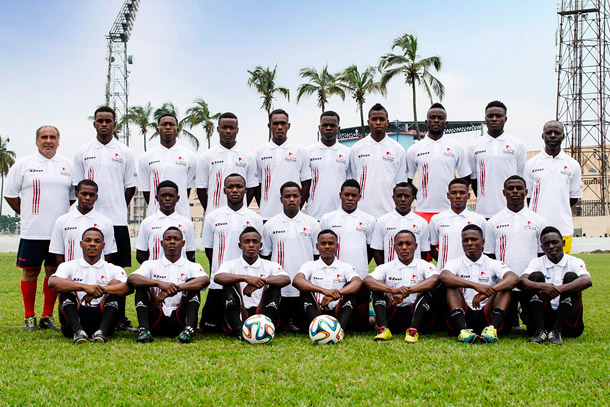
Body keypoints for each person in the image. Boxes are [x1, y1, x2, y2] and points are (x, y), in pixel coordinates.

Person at [4, 125, 75, 331]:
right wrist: (27, 213)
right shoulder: (24, 165)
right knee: (30, 272)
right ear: (36, 141)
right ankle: (29, 317)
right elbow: (10, 194)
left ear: (58, 141)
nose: (48, 141)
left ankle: (47, 316)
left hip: (58, 233)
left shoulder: (67, 166)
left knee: (53, 273)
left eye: (52, 137)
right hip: (33, 231)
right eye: (44, 137)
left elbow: (72, 197)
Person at [72, 106, 137, 268]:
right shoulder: (82, 152)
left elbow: (130, 187)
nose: (104, 124)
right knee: (85, 266)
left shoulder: (126, 152)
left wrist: (119, 205)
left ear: (114, 124)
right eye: (100, 121)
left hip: (117, 220)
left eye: (108, 121)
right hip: (89, 220)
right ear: (94, 124)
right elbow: (77, 186)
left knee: (117, 270)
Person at [199, 174, 263, 332]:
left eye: (239, 187)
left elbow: (259, 250)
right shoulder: (212, 217)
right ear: (224, 190)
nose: (235, 190)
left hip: (247, 281)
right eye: (230, 187)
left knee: (247, 323)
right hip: (219, 282)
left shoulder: (255, 218)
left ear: (245, 190)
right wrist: (219, 270)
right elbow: (209, 249)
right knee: (209, 328)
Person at [128, 227, 209, 344]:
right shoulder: (150, 264)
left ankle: (188, 330)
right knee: (142, 285)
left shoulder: (192, 266)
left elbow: (204, 280)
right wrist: (159, 284)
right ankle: (144, 330)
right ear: (162, 243)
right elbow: (132, 279)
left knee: (192, 283)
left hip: (180, 318)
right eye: (168, 239)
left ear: (183, 243)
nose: (172, 242)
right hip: (157, 316)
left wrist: (176, 288)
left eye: (176, 239)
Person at [484, 175, 546, 329]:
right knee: (503, 329)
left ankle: (525, 313)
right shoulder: (493, 222)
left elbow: (542, 254)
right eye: (511, 188)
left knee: (533, 327)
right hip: (505, 284)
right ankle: (512, 316)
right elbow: (490, 256)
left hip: (529, 283)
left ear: (526, 192)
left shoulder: (538, 220)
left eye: (519, 188)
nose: (515, 191)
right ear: (504, 192)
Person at [439, 224, 519, 343]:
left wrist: (489, 291)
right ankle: (463, 332)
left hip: (487, 313)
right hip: (464, 313)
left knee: (505, 286)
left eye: (474, 239)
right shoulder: (454, 262)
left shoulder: (493, 263)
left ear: (483, 242)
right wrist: (475, 286)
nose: (469, 243)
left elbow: (514, 278)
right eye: (465, 240)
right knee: (451, 285)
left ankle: (492, 330)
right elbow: (444, 276)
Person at [49, 227, 129, 343]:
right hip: (74, 316)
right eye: (88, 240)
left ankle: (102, 331)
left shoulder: (113, 269)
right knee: (66, 284)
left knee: (115, 285)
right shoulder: (68, 266)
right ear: (81, 244)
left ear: (103, 245)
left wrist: (101, 290)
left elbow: (127, 287)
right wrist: (85, 287)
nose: (92, 244)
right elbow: (53, 282)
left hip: (103, 315)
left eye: (97, 241)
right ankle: (78, 331)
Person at [519, 226, 592, 345]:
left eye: (555, 242)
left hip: (568, 323)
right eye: (546, 244)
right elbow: (522, 281)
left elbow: (587, 280)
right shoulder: (537, 262)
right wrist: (542, 287)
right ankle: (540, 330)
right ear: (542, 247)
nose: (551, 246)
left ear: (563, 243)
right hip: (544, 316)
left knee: (571, 277)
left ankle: (556, 331)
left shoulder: (574, 261)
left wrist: (558, 289)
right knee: (535, 277)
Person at [261, 182, 320, 330]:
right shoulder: (270, 224)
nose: (291, 199)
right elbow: (266, 257)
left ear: (301, 198)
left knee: (305, 327)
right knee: (278, 327)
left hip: (304, 287)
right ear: (281, 199)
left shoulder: (312, 223)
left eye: (295, 196)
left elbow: (317, 256)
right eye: (287, 196)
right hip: (280, 287)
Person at [214, 227, 290, 339]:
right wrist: (245, 278)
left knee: (274, 284)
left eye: (255, 242)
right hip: (240, 311)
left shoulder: (270, 265)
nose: (251, 245)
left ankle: (265, 325)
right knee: (229, 283)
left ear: (261, 245)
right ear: (240, 245)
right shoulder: (230, 264)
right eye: (246, 242)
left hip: (262, 310)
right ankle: (239, 330)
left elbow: (286, 279)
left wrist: (262, 282)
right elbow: (218, 277)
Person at [364, 230, 439, 343]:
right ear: (394, 247)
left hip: (417, 314)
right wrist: (393, 290)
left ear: (415, 246)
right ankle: (384, 329)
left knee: (428, 291)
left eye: (408, 244)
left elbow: (435, 279)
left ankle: (413, 330)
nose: (404, 247)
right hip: (394, 315)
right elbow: (367, 280)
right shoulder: (386, 267)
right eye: (400, 244)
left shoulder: (424, 265)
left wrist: (410, 290)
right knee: (377, 291)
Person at [320, 179, 375, 330]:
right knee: (334, 320)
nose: (350, 198)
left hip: (359, 277)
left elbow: (370, 248)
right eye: (346, 195)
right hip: (334, 276)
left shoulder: (369, 220)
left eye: (354, 195)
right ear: (340, 195)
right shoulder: (328, 218)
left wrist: (359, 267)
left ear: (359, 197)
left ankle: (371, 318)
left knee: (361, 327)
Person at [524, 120, 582, 254]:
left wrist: (559, 208)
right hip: (536, 229)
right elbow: (529, 197)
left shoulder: (573, 165)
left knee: (562, 265)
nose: (553, 135)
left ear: (563, 136)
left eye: (557, 133)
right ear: (543, 136)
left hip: (563, 228)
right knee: (537, 266)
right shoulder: (532, 164)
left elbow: (574, 197)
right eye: (549, 133)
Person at [406, 103, 471, 223]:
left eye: (440, 118)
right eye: (432, 117)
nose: (436, 120)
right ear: (426, 122)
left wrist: (455, 196)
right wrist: (419, 195)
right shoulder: (414, 149)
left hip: (449, 211)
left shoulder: (456, 147)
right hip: (423, 210)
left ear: (446, 123)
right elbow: (407, 180)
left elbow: (466, 177)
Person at [292, 230, 361, 332]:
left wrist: (337, 294)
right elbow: (297, 280)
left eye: (331, 243)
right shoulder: (310, 265)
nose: (327, 247)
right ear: (317, 246)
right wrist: (324, 291)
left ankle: (340, 329)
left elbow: (357, 282)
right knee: (304, 290)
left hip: (339, 311)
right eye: (323, 243)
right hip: (316, 311)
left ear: (337, 246)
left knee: (351, 291)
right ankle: (316, 328)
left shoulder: (345, 266)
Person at [467, 101, 526, 219]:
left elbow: (520, 178)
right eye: (490, 116)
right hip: (483, 212)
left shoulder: (518, 145)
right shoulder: (474, 146)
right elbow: (473, 179)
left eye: (498, 116)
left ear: (505, 119)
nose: (494, 119)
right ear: (485, 119)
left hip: (511, 212)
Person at [348, 103, 407, 218]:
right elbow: (354, 180)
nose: (378, 122)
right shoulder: (357, 148)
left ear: (387, 122)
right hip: (361, 213)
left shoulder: (397, 150)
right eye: (374, 119)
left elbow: (400, 184)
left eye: (382, 119)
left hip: (389, 213)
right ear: (368, 122)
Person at [255, 109, 311, 221]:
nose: (280, 127)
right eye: (275, 123)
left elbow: (306, 183)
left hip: (293, 215)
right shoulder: (260, 151)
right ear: (269, 126)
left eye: (283, 123)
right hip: (267, 215)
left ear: (288, 126)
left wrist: (297, 207)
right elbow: (257, 185)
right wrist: (264, 206)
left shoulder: (300, 150)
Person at [196, 112, 257, 214]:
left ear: (237, 130)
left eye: (231, 128)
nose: (228, 131)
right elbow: (201, 189)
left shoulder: (248, 156)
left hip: (240, 215)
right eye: (224, 127)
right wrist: (211, 212)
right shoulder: (206, 156)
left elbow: (251, 188)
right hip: (215, 215)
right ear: (218, 129)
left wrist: (241, 208)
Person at [138, 113, 197, 218]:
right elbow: (146, 191)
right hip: (155, 216)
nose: (168, 127)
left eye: (171, 124)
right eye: (164, 124)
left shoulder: (190, 156)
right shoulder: (146, 157)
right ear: (158, 130)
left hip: (182, 216)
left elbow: (187, 189)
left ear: (177, 130)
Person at [50, 179, 116, 265]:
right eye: (84, 194)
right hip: (71, 272)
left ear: (96, 197)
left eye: (91, 195)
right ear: (76, 194)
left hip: (96, 272)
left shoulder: (105, 222)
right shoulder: (62, 221)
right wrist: (65, 271)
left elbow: (108, 253)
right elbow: (58, 252)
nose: (87, 198)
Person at [429, 178, 487, 271]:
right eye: (454, 193)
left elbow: (485, 248)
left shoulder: (479, 220)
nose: (458, 196)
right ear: (448, 195)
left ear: (468, 195)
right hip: (445, 272)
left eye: (462, 193)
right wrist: (443, 263)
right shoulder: (437, 219)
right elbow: (432, 247)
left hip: (470, 272)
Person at [135, 180, 196, 264]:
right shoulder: (147, 223)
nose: (167, 198)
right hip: (155, 272)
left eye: (171, 196)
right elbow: (140, 254)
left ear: (177, 198)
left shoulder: (186, 223)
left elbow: (190, 252)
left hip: (179, 271)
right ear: (156, 198)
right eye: (163, 195)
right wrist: (152, 268)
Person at [306, 111, 351, 220]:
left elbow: (350, 184)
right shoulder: (308, 152)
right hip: (314, 214)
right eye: (325, 125)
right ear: (319, 128)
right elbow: (305, 183)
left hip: (340, 214)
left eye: (332, 125)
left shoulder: (348, 153)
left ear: (338, 129)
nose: (328, 128)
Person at [371, 182, 430, 265]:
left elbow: (424, 251)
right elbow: (377, 251)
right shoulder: (382, 221)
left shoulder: (422, 222)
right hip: (390, 271)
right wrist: (385, 270)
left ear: (413, 198)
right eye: (399, 196)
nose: (403, 199)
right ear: (393, 198)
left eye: (407, 196)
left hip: (414, 271)